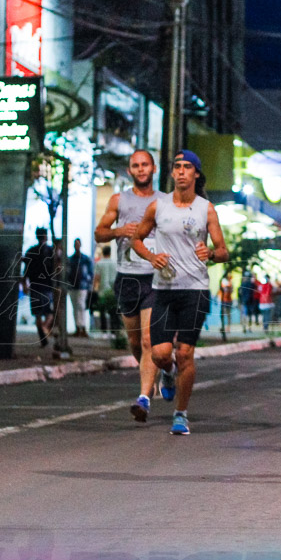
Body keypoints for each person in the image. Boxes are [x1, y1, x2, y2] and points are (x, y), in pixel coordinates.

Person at [133, 149, 228, 436]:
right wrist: (151, 257)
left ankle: (181, 414)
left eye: (188, 167)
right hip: (164, 289)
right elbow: (137, 239)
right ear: (172, 173)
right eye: (177, 167)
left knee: (185, 352)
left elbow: (223, 251)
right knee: (161, 354)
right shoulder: (157, 207)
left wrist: (210, 252)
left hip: (195, 290)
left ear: (196, 174)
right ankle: (168, 373)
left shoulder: (206, 208)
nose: (182, 171)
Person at [94, 150, 164, 422]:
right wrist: (118, 231)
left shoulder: (164, 201)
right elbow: (99, 232)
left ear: (153, 168)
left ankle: (144, 397)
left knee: (149, 340)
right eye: (136, 165)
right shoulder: (118, 200)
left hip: (156, 278)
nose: (141, 169)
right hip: (127, 277)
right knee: (135, 341)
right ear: (130, 170)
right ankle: (157, 371)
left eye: (145, 164)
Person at [21, 227, 55, 348]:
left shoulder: (31, 251)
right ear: (46, 236)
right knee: (49, 312)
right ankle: (45, 329)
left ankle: (42, 335)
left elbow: (26, 271)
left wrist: (24, 283)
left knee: (37, 313)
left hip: (35, 286)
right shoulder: (51, 251)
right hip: (47, 286)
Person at [67, 238, 94, 337]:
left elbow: (90, 272)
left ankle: (82, 326)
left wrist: (89, 283)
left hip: (82, 285)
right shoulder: (71, 259)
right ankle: (78, 327)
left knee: (81, 305)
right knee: (76, 306)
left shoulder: (85, 259)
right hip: (73, 286)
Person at [218, 273, 234, 341]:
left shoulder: (229, 283)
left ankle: (228, 327)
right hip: (223, 300)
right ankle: (223, 327)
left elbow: (232, 290)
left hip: (228, 300)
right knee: (224, 315)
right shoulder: (223, 282)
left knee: (228, 315)